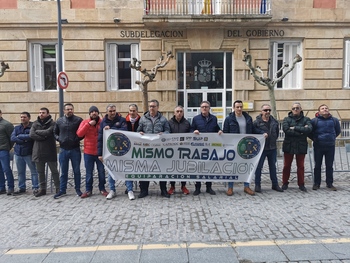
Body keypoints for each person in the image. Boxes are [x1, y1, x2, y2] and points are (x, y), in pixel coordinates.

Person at [223, 100, 260, 196]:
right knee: (232, 167)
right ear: (233, 108)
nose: (239, 109)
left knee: (247, 167)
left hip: (246, 146)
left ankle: (246, 186)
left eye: (240, 107)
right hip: (234, 147)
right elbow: (225, 132)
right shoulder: (229, 119)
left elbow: (253, 129)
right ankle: (230, 188)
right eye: (237, 107)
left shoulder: (248, 118)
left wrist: (262, 134)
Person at [136, 99, 171, 198]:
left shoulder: (163, 119)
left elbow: (168, 131)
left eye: (153, 106)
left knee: (161, 169)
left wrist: (163, 134)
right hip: (146, 150)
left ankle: (163, 190)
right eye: (150, 106)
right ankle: (144, 190)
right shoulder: (143, 119)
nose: (151, 108)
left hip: (159, 150)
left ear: (157, 107)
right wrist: (140, 133)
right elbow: (138, 131)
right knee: (144, 169)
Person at [191, 101, 222, 196]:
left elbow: (216, 128)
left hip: (210, 147)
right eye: (203, 107)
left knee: (210, 166)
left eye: (206, 107)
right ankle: (198, 187)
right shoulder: (195, 119)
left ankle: (209, 187)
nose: (204, 108)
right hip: (199, 147)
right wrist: (194, 131)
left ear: (209, 108)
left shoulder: (214, 118)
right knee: (198, 167)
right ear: (200, 108)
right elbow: (191, 129)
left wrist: (220, 131)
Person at [77, 106, 108, 198]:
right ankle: (88, 190)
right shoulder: (85, 122)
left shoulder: (102, 122)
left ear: (98, 113)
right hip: (88, 152)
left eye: (96, 111)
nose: (94, 113)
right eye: (92, 112)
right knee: (89, 172)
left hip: (100, 152)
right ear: (89, 113)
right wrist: (88, 125)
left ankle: (102, 188)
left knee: (101, 172)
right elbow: (79, 134)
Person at [98, 104, 127, 200]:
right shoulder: (103, 122)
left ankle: (129, 189)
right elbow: (100, 138)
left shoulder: (122, 120)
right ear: (107, 112)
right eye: (110, 111)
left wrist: (111, 129)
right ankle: (112, 190)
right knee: (111, 171)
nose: (112, 112)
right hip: (109, 151)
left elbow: (125, 131)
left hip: (122, 150)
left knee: (126, 169)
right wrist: (99, 153)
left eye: (114, 110)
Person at [54, 103, 83, 198]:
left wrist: (77, 139)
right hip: (63, 149)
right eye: (68, 109)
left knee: (77, 171)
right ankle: (62, 190)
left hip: (75, 149)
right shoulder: (59, 121)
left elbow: (83, 132)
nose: (70, 111)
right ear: (64, 110)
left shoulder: (78, 120)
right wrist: (59, 139)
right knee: (63, 171)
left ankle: (78, 189)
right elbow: (55, 133)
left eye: (71, 109)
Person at [309, 104, 341, 191]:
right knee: (318, 165)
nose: (325, 109)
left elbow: (338, 131)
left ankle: (329, 183)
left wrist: (332, 138)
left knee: (329, 166)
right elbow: (309, 132)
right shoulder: (314, 121)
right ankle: (316, 183)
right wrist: (315, 139)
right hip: (318, 146)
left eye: (326, 108)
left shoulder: (334, 120)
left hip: (330, 146)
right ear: (319, 111)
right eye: (322, 108)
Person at [282, 102, 312, 192]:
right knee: (287, 166)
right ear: (291, 109)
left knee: (301, 166)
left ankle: (301, 184)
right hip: (289, 144)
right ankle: (284, 182)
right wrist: (301, 130)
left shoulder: (306, 119)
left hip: (301, 145)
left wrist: (294, 127)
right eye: (294, 108)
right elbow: (286, 130)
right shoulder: (286, 119)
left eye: (297, 108)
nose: (295, 109)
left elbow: (309, 129)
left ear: (301, 109)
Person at [30, 107, 60, 197]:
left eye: (43, 112)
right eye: (40, 112)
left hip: (50, 151)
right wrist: (43, 137)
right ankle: (42, 189)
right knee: (40, 172)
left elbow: (49, 132)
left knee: (54, 171)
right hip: (38, 151)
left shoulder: (53, 123)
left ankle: (58, 188)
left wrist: (38, 132)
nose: (41, 114)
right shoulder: (35, 123)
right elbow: (31, 134)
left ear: (47, 113)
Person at [253, 104, 283, 193]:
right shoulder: (256, 122)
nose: (268, 112)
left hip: (272, 147)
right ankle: (257, 185)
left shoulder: (274, 122)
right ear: (261, 111)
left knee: (273, 167)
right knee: (259, 167)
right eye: (265, 110)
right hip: (261, 149)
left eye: (269, 110)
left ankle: (275, 184)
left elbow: (276, 133)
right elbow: (254, 132)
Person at [10, 112, 39, 195]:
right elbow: (12, 138)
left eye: (24, 117)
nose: (22, 119)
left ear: (29, 118)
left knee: (33, 171)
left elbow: (31, 136)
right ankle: (21, 187)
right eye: (21, 117)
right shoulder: (17, 127)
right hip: (18, 153)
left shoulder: (33, 126)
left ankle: (35, 187)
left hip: (29, 152)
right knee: (20, 172)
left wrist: (19, 137)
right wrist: (22, 140)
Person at [168, 105, 191, 195]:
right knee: (172, 168)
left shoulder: (187, 123)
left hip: (183, 150)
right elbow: (166, 133)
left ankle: (183, 186)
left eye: (181, 111)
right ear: (174, 113)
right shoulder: (169, 122)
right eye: (177, 111)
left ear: (183, 113)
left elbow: (190, 133)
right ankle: (172, 186)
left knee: (183, 168)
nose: (179, 113)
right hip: (172, 150)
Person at [123, 103, 141, 200]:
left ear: (137, 111)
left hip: (139, 148)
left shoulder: (142, 120)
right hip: (127, 149)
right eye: (131, 110)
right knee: (128, 167)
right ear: (128, 111)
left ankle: (141, 185)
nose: (132, 112)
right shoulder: (124, 121)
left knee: (139, 167)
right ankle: (129, 187)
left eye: (134, 111)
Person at [0, 109, 15, 195]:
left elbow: (12, 138)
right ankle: (1, 187)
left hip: (3, 150)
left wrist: (8, 147)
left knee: (6, 169)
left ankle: (11, 187)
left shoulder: (7, 124)